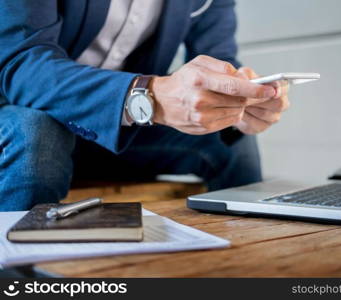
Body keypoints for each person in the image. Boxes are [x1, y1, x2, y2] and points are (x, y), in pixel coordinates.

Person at [0, 0, 289, 211]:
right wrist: (146, 95)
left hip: (115, 132)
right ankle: (20, 277)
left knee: (230, 137)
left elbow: (221, 61)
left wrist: (239, 101)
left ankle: (241, 261)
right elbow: (22, 65)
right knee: (36, 132)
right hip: (16, 110)